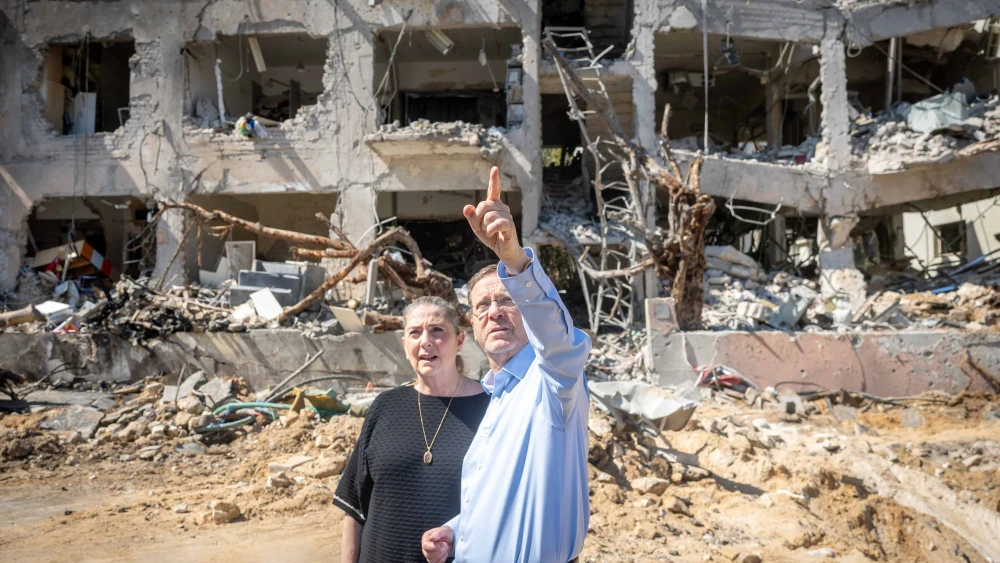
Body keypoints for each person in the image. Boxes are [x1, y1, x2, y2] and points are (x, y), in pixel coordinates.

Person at [422, 166, 592, 563]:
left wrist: (514, 259)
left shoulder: (552, 382)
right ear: (472, 327)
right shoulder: (497, 395)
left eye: (507, 301)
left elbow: (560, 343)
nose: (494, 313)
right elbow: (500, 502)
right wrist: (455, 531)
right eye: (482, 306)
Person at [335, 296, 489, 563]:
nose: (425, 341)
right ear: (405, 344)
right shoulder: (385, 407)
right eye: (415, 332)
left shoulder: (490, 410)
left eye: (437, 330)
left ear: (460, 342)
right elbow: (355, 507)